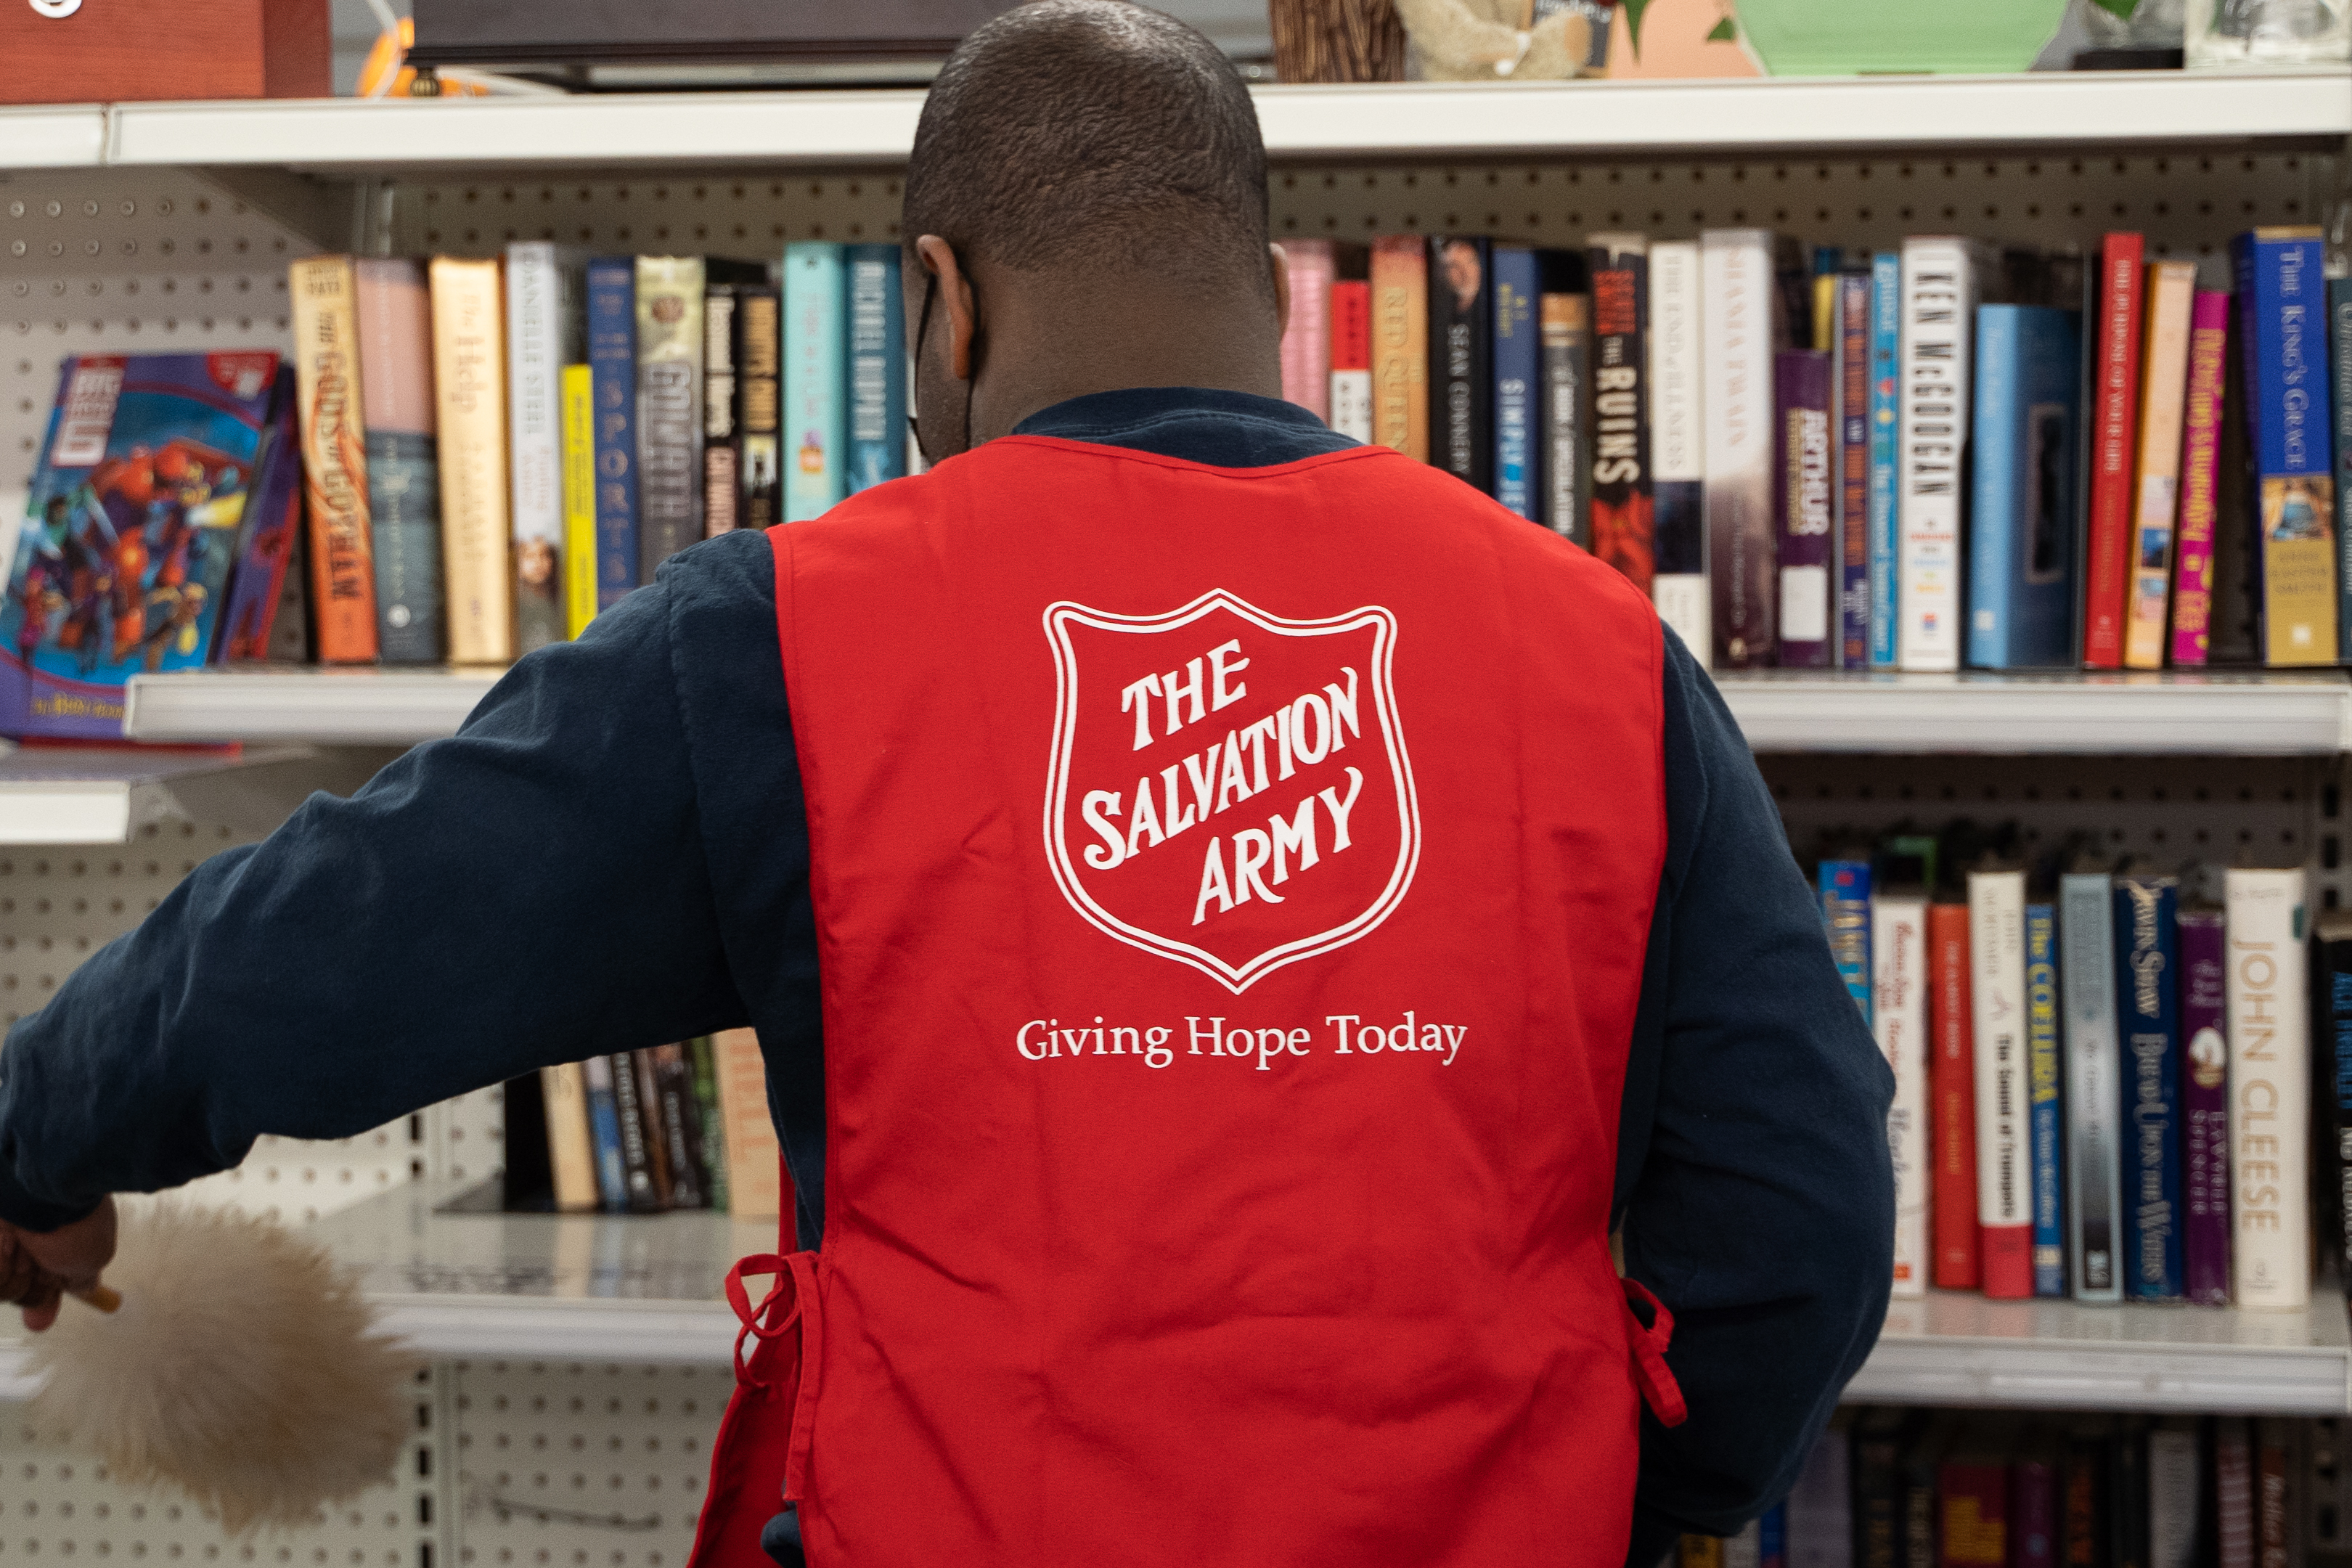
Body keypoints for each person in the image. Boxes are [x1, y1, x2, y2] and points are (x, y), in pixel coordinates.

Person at [0, 4, 1892, 1564]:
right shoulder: (1595, 652)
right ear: (1280, 298)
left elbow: (334, 945)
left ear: (940, 303)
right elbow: (1799, 1223)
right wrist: (1621, 1503)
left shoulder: (783, 642)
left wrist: (37, 1142)